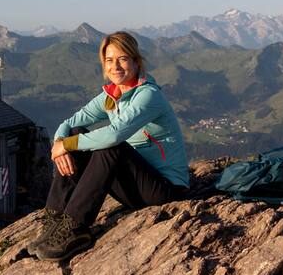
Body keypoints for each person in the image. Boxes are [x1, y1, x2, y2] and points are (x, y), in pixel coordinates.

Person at [28, 31, 190, 262]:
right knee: (75, 135)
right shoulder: (111, 96)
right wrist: (60, 143)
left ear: (136, 61)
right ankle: (54, 221)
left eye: (123, 59)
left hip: (165, 191)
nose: (115, 66)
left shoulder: (148, 96)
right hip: (136, 187)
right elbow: (70, 124)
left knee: (111, 146)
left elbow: (114, 135)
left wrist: (67, 144)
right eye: (109, 60)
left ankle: (75, 228)